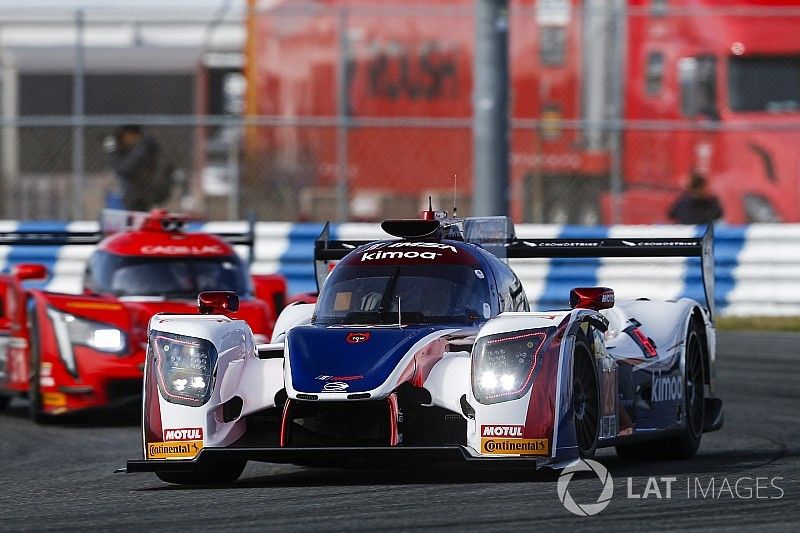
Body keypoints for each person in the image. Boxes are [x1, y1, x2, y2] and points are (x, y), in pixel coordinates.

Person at [104, 125, 163, 211]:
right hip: (132, 193)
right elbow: (121, 168)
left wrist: (112, 151)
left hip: (144, 193)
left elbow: (125, 168)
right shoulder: (124, 146)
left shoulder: (145, 146)